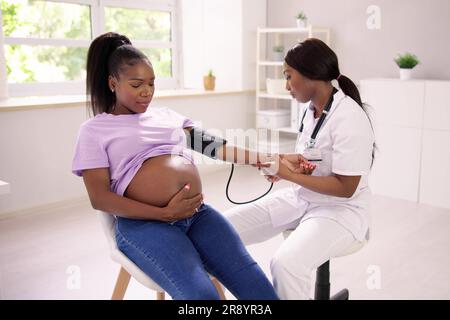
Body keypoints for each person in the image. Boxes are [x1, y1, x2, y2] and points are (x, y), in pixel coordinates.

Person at [71, 32, 279, 300]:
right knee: (202, 297)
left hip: (198, 215)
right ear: (113, 83)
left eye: (151, 84)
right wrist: (163, 214)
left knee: (259, 290)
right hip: (145, 225)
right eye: (136, 85)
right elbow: (100, 198)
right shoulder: (94, 130)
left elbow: (213, 146)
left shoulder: (165, 115)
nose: (146, 92)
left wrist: (262, 158)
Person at [225, 38, 376, 300]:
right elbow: (313, 154)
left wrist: (288, 174)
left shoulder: (349, 117)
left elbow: (346, 187)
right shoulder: (311, 110)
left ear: (311, 75)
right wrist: (285, 161)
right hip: (302, 199)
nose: (286, 86)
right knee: (222, 229)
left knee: (286, 265)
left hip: (340, 211)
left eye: (288, 76)